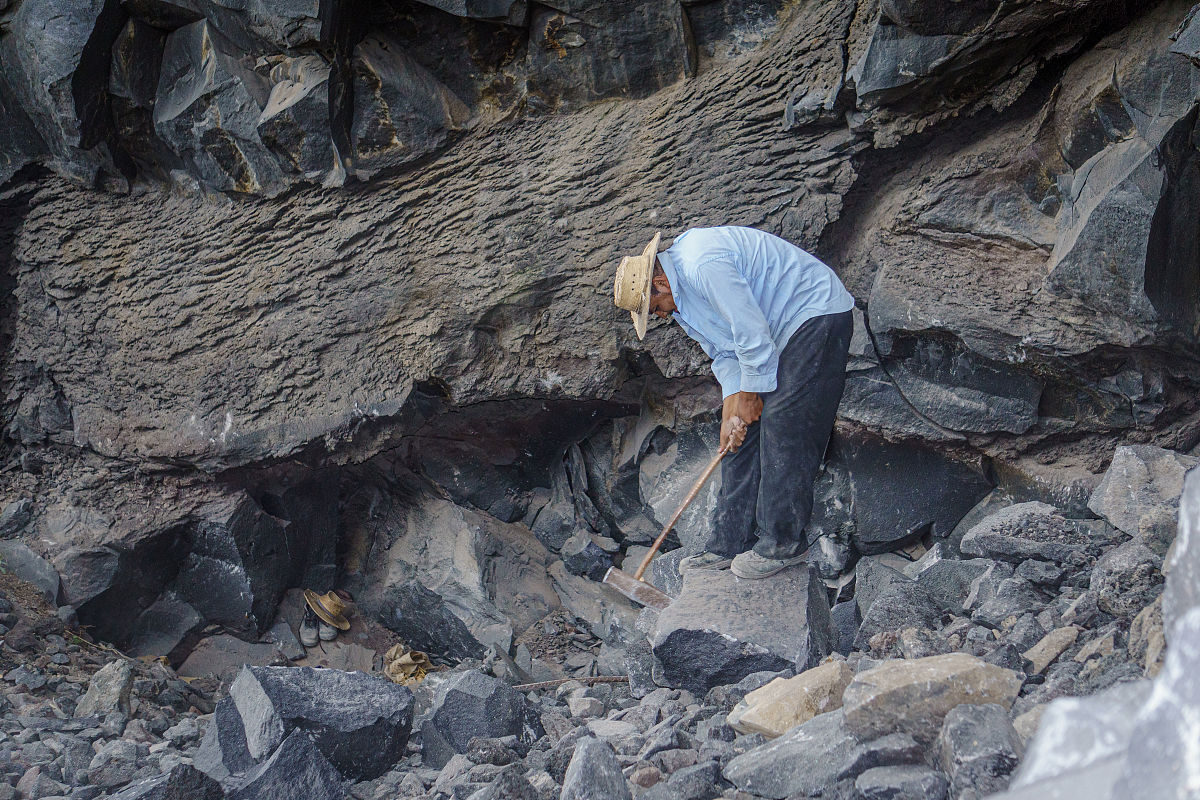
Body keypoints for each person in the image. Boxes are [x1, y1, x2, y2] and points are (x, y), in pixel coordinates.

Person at [612, 226, 854, 579]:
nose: (661, 315)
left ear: (659, 284)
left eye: (655, 308)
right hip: (776, 334)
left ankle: (783, 544)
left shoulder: (701, 264)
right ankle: (729, 543)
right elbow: (726, 355)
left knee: (783, 422)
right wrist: (731, 413)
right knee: (735, 442)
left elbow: (751, 333)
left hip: (814, 314)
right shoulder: (683, 307)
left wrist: (751, 397)